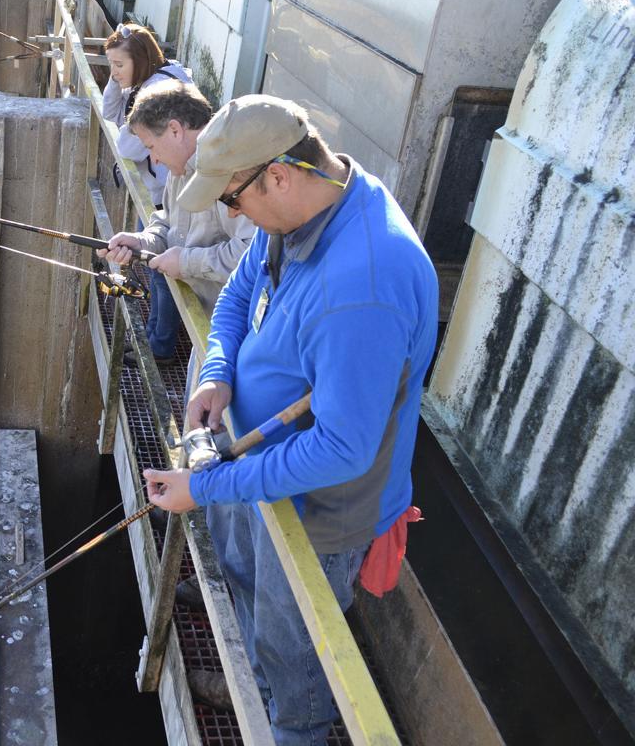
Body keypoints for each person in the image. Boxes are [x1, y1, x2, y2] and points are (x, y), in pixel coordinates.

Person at [143, 95, 438, 745]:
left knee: (291, 638)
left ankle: (292, 723)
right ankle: (258, 681)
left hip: (318, 509)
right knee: (245, 581)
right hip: (254, 463)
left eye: (231, 200)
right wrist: (217, 371)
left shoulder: (363, 285)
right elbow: (241, 292)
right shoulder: (312, 204)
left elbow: (341, 449)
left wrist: (207, 487)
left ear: (277, 175)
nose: (231, 215)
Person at [97, 80, 256, 362]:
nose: (154, 160)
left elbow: (251, 255)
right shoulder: (180, 168)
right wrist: (140, 242)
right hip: (205, 324)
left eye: (151, 147)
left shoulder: (235, 172)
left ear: (174, 130)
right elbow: (167, 222)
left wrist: (185, 262)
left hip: (239, 337)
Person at [101, 24, 194, 364]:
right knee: (156, 268)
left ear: (140, 60)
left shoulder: (157, 92)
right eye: (110, 64)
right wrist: (118, 78)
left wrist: (128, 91)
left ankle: (161, 346)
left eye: (119, 64)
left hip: (170, 197)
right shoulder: (148, 79)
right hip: (163, 194)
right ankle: (158, 335)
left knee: (161, 269)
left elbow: (127, 144)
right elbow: (111, 113)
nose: (114, 72)